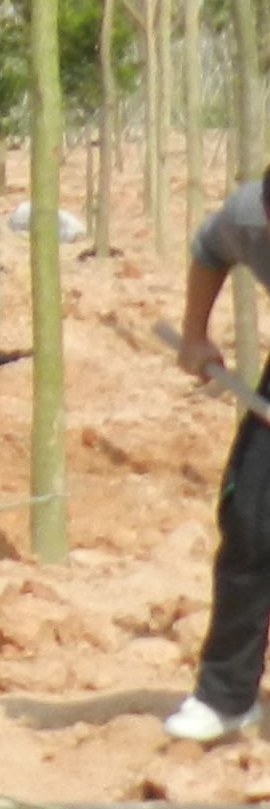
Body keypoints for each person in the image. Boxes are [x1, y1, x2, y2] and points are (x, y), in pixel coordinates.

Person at [164, 164, 270, 744]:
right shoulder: (246, 215)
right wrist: (194, 333)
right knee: (252, 522)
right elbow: (209, 248)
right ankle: (226, 697)